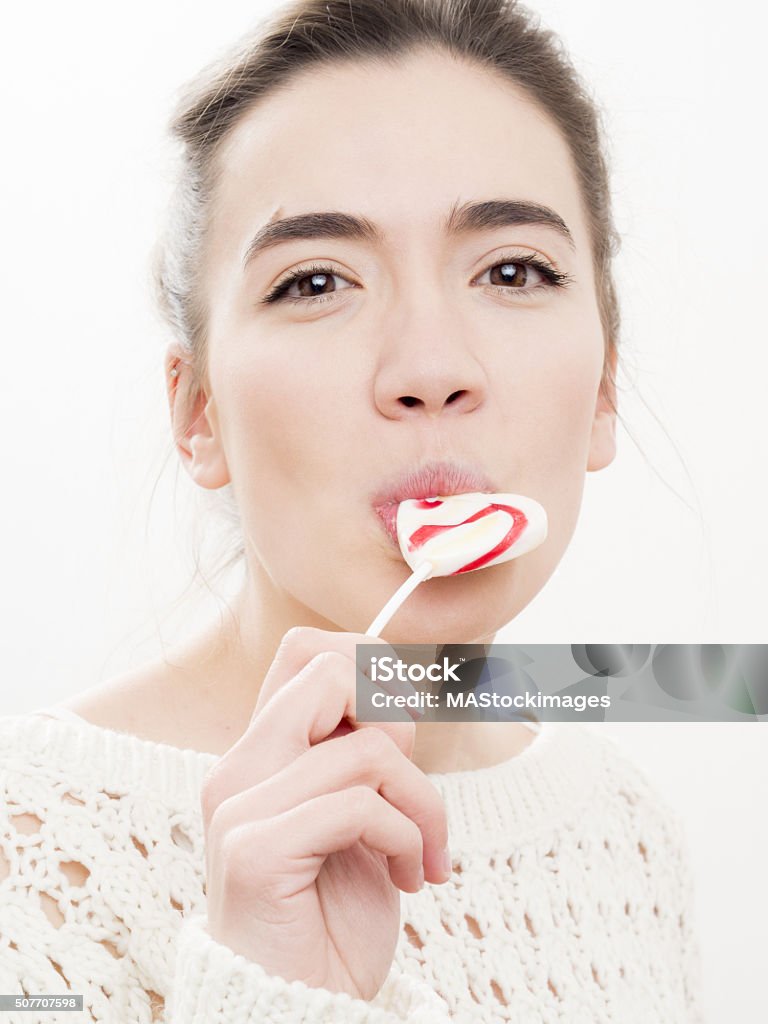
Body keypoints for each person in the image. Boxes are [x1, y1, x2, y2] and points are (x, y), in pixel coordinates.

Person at [0, 1, 705, 1021]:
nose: (430, 369)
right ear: (199, 412)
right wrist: (269, 990)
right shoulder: (30, 849)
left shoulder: (631, 835)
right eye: (316, 280)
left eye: (514, 270)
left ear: (603, 392)